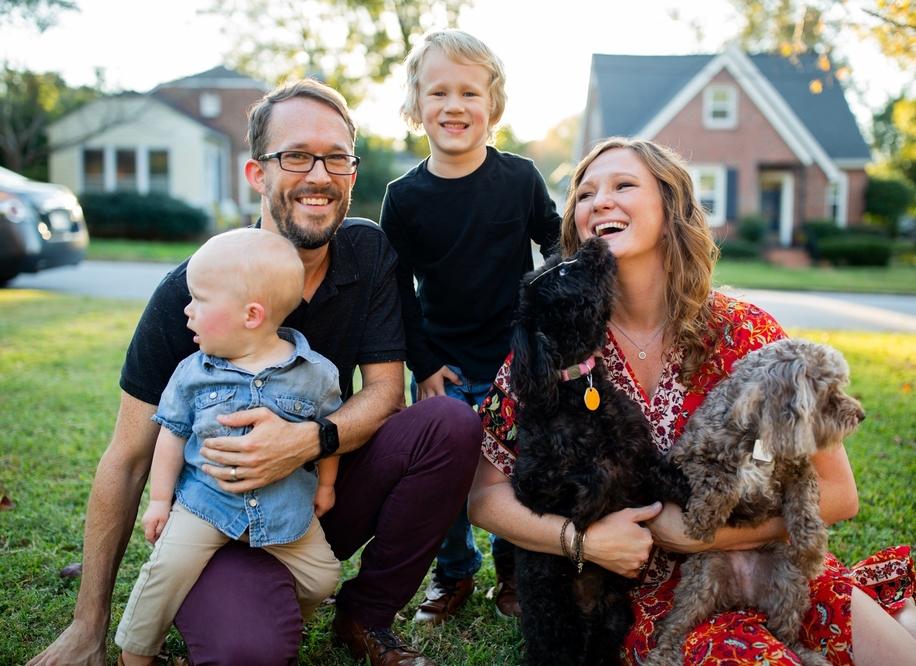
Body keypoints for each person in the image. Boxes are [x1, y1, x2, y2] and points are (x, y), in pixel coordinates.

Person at [30, 78, 483, 666]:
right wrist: (87, 625)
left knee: (447, 424)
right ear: (256, 174)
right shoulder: (188, 294)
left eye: (337, 157)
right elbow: (129, 456)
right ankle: (223, 591)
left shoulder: (368, 254)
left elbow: (383, 395)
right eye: (295, 156)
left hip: (315, 504)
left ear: (351, 172)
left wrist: (306, 442)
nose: (319, 175)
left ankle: (365, 616)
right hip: (219, 514)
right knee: (251, 651)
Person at [468, 136, 916, 664]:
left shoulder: (747, 332)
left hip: (766, 568)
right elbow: (484, 496)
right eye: (584, 195)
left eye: (623, 185)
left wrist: (707, 538)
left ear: (671, 206)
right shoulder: (555, 337)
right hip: (639, 600)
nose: (599, 201)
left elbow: (840, 494)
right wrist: (580, 542)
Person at [380, 29, 561, 624]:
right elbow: (396, 291)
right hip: (445, 364)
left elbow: (558, 242)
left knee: (519, 469)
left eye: (469, 93)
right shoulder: (403, 198)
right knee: (447, 482)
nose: (454, 106)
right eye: (438, 93)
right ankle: (454, 574)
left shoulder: (520, 178)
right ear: (415, 107)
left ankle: (513, 573)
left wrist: (546, 320)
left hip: (518, 360)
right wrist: (424, 363)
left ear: (494, 106)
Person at [116, 229, 342, 664]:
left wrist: (326, 486)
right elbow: (171, 434)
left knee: (323, 577)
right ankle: (136, 653)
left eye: (200, 300)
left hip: (284, 511)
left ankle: (283, 613)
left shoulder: (315, 375)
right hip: (205, 505)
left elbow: (326, 435)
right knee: (165, 571)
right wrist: (160, 500)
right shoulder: (193, 372)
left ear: (251, 315)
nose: (187, 310)